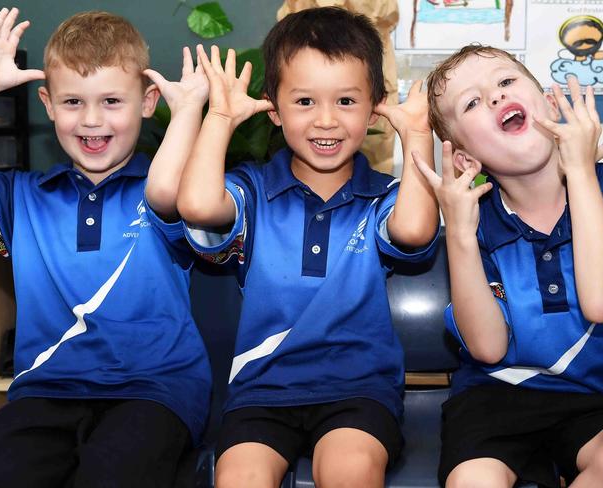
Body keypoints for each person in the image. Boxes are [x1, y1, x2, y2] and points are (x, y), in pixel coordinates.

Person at [171, 6, 439, 488]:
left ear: (376, 104)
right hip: (261, 392)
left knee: (350, 470)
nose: (327, 121)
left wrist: (417, 135)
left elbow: (416, 231)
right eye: (305, 102)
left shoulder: (381, 197)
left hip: (358, 392)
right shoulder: (251, 190)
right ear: (273, 108)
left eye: (346, 101)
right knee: (239, 477)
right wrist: (221, 117)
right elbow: (195, 205)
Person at [0, 8, 211, 488]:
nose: (92, 120)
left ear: (148, 101)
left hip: (154, 393)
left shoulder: (174, 191)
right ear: (48, 104)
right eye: (73, 101)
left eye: (112, 100)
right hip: (46, 391)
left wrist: (190, 114)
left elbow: (193, 202)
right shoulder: (19, 199)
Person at [413, 44, 603, 487]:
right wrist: (461, 234)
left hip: (600, 395)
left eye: (505, 83)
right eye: (472, 102)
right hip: (496, 395)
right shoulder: (477, 224)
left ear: (546, 100)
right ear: (465, 159)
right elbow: (488, 348)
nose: (496, 97)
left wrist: (580, 171)